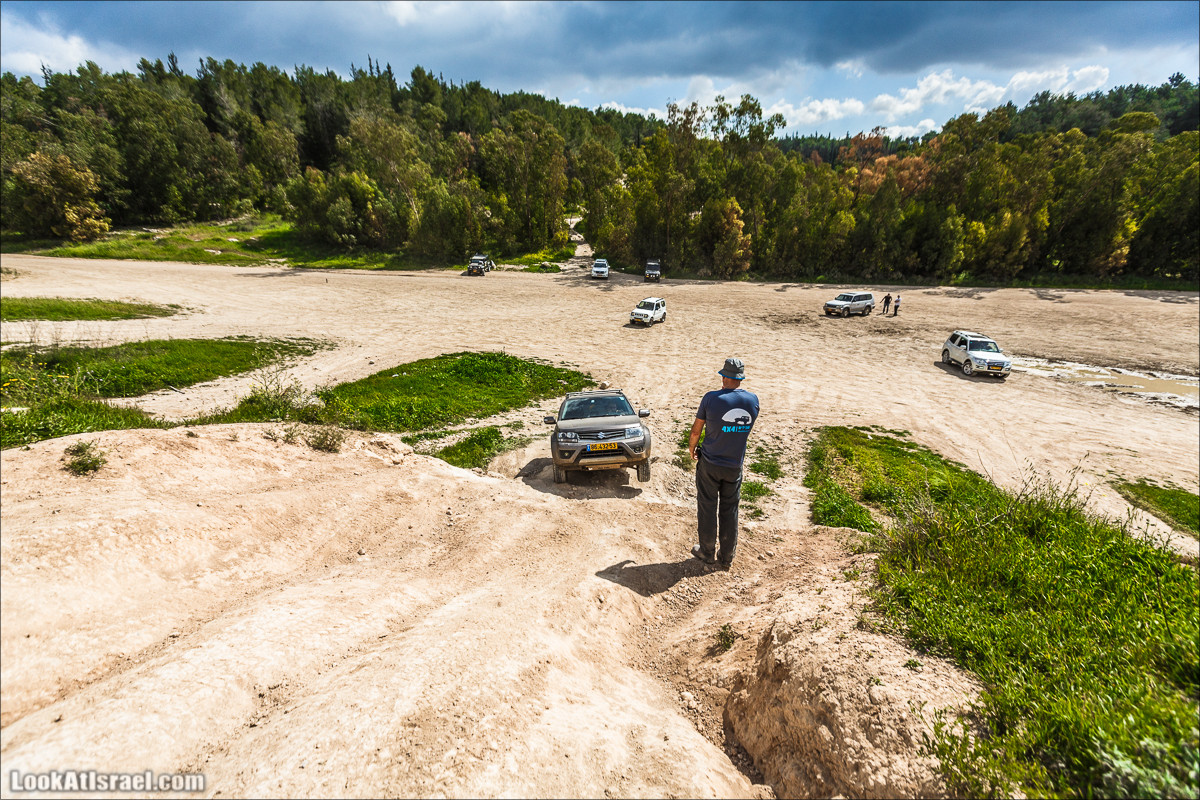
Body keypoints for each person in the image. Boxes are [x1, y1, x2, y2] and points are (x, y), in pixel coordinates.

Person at [688, 357, 760, 569]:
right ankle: (727, 556)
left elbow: (696, 430)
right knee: (730, 509)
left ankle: (707, 552)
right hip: (734, 465)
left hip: (710, 462)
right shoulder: (752, 400)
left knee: (707, 506)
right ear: (740, 378)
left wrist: (692, 448)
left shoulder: (711, 398)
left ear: (723, 376)